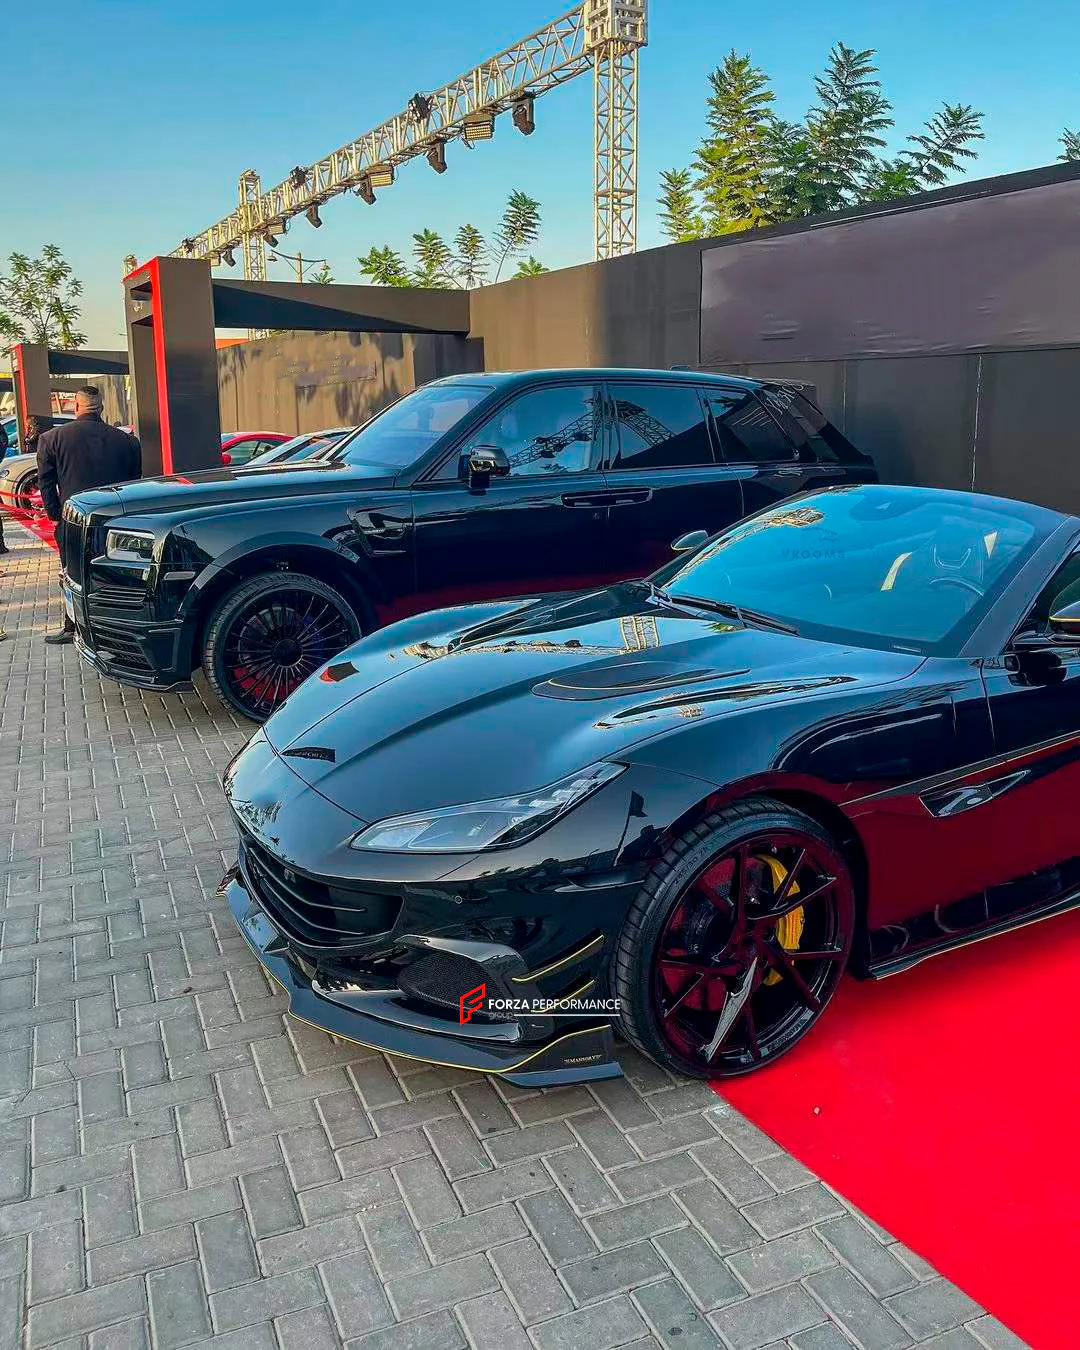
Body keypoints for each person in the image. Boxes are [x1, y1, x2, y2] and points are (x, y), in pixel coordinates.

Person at [37, 386, 141, 644]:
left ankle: (73, 626)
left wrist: (55, 515)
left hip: (74, 520)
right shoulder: (127, 441)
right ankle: (117, 627)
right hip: (117, 522)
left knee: (72, 574)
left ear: (76, 406)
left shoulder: (52, 439)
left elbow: (46, 483)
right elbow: (135, 482)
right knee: (116, 575)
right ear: (101, 407)